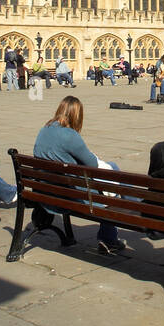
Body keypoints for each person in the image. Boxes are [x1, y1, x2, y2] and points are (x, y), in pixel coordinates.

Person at [32, 96, 126, 253]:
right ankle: (110, 238)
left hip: (47, 190)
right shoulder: (70, 135)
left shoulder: (45, 129)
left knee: (113, 168)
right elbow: (93, 165)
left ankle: (135, 207)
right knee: (113, 179)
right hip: (69, 195)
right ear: (77, 115)